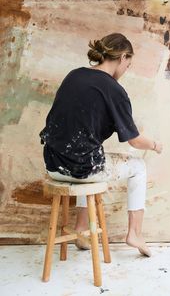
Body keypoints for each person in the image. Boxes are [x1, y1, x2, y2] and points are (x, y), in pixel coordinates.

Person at [39, 33, 163, 257]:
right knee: (137, 168)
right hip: (81, 170)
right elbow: (134, 140)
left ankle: (80, 228)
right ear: (122, 57)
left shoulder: (74, 75)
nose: (126, 70)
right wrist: (155, 145)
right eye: (128, 64)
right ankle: (134, 233)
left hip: (53, 165)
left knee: (86, 152)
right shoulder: (114, 90)